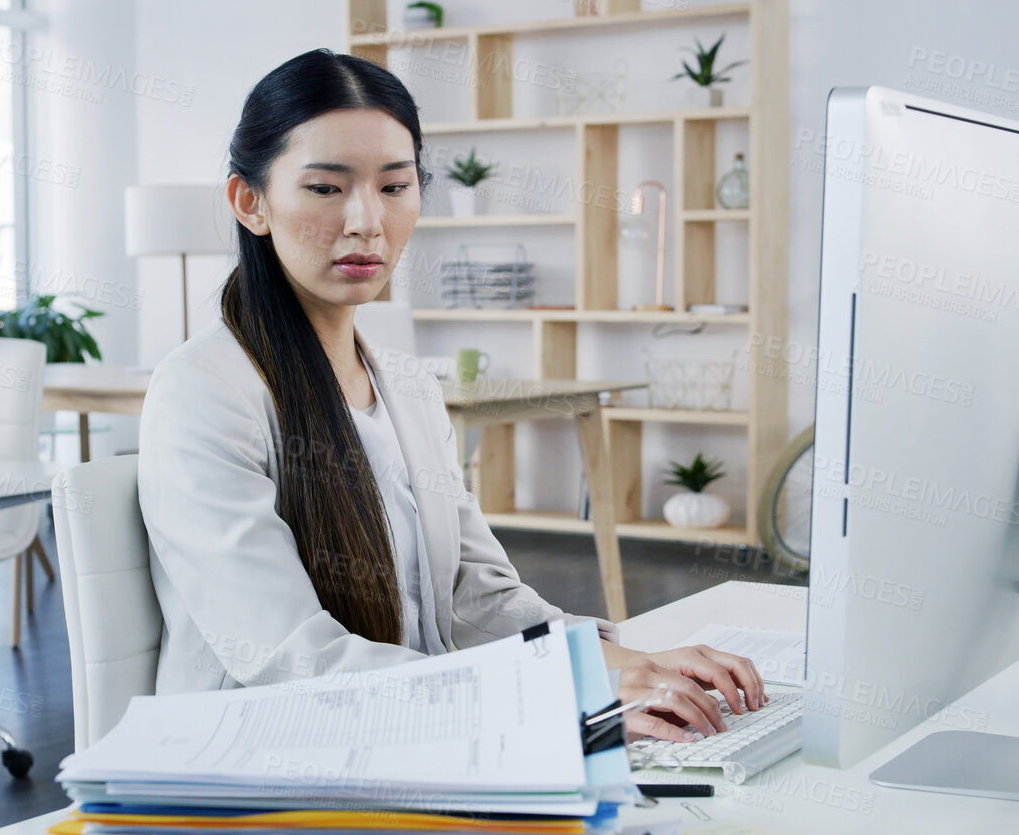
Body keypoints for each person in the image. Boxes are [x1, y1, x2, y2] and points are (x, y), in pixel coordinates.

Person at [137, 48, 764, 743]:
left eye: (394, 187)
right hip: (269, 759)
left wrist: (633, 665)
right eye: (324, 188)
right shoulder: (201, 392)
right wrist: (559, 701)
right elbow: (293, 660)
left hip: (431, 734)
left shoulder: (406, 386)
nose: (365, 221)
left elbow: (482, 599)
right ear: (249, 202)